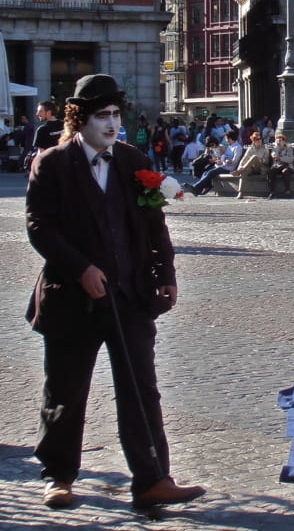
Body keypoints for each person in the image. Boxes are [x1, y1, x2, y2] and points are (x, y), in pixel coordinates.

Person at [24, 73, 205, 511]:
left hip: (129, 296)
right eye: (102, 116)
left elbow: (153, 222)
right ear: (79, 119)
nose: (111, 124)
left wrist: (166, 273)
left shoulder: (130, 160)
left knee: (141, 389)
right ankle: (59, 476)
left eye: (116, 115)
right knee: (66, 391)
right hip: (72, 298)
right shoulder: (52, 163)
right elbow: (39, 228)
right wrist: (80, 268)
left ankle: (152, 479)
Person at [182, 129, 241, 195]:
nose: (226, 140)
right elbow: (224, 156)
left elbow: (234, 161)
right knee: (205, 172)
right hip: (223, 165)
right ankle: (197, 190)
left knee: (210, 172)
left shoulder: (237, 147)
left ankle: (195, 187)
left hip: (228, 168)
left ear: (230, 138)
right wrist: (221, 160)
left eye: (226, 138)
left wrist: (226, 160)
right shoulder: (230, 147)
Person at [26, 100, 64, 171]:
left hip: (49, 169)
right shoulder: (66, 125)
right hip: (66, 167)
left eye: (40, 111)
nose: (37, 114)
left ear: (49, 112)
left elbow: (40, 154)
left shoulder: (42, 130)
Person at [233, 131, 269, 198]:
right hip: (251, 168)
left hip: (261, 168)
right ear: (254, 140)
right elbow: (244, 159)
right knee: (243, 172)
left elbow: (267, 161)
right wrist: (240, 166)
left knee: (254, 157)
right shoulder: (250, 148)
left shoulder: (265, 148)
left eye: (260, 139)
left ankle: (241, 170)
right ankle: (240, 193)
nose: (259, 140)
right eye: (257, 139)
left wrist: (262, 160)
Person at [267, 132, 294, 198]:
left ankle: (287, 191)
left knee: (285, 171)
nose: (278, 142)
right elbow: (273, 154)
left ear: (284, 141)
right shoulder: (275, 148)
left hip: (287, 166)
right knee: (271, 172)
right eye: (277, 140)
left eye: (280, 140)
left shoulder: (289, 149)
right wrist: (277, 147)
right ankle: (272, 192)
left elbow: (291, 159)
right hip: (277, 166)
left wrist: (280, 158)